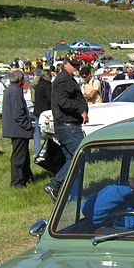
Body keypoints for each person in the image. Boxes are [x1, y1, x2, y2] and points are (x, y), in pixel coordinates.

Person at [44, 58, 88, 202]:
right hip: (68, 126)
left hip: (67, 125)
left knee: (72, 160)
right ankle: (55, 184)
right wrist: (80, 110)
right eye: (73, 65)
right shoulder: (63, 80)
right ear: (65, 65)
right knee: (79, 156)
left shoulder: (66, 78)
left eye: (78, 65)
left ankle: (71, 194)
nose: (76, 67)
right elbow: (63, 101)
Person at [2, 70, 35, 188]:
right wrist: (28, 125)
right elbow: (18, 113)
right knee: (19, 157)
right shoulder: (15, 91)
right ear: (20, 80)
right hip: (18, 130)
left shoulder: (11, 89)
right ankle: (17, 182)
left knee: (24, 155)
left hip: (15, 129)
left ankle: (26, 177)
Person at [31, 69, 52, 157]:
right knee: (49, 132)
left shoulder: (38, 85)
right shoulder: (47, 86)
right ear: (47, 77)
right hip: (46, 112)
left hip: (37, 110)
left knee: (37, 133)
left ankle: (36, 151)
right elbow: (50, 98)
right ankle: (48, 151)